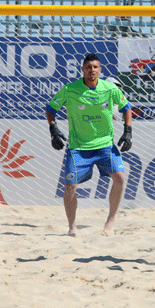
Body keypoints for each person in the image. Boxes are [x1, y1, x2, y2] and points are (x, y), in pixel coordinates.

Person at [45, 53, 133, 237]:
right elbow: (50, 109)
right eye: (88, 67)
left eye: (95, 67)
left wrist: (128, 131)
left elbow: (127, 108)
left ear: (100, 70)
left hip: (105, 145)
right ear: (83, 69)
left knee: (120, 177)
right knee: (70, 187)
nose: (91, 70)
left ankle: (110, 221)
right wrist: (53, 129)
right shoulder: (70, 89)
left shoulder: (109, 88)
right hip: (78, 147)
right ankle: (72, 227)